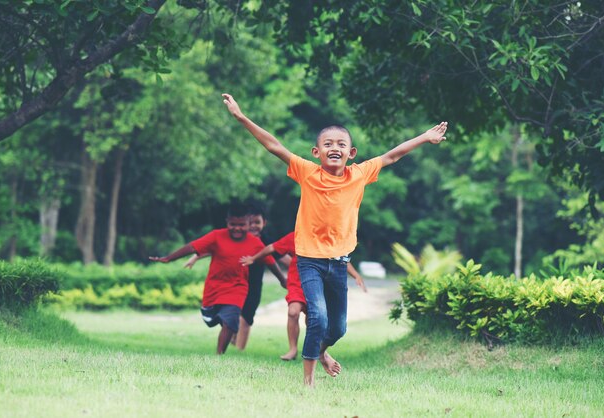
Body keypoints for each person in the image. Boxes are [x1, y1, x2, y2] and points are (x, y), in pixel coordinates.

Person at [222, 93, 447, 386]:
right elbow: (273, 145)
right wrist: (241, 117)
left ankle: (322, 351)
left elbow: (392, 155)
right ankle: (308, 381)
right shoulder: (307, 172)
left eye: (341, 144)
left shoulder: (359, 174)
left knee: (338, 328)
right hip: (310, 261)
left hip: (339, 263)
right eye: (328, 144)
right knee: (317, 317)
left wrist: (424, 137)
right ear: (317, 152)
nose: (334, 148)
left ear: (351, 152)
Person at [149, 203, 286, 355]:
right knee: (212, 320)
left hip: (238, 288)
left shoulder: (255, 243)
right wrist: (169, 258)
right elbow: (193, 247)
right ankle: (218, 319)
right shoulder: (216, 236)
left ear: (247, 223)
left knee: (231, 319)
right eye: (233, 224)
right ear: (227, 222)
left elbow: (270, 261)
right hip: (214, 288)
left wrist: (282, 279)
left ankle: (219, 354)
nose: (237, 228)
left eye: (242, 225)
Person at [241, 231, 367, 361]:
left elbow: (341, 258)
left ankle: (317, 351)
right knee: (293, 311)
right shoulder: (298, 236)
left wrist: (356, 275)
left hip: (318, 286)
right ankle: (293, 349)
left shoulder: (328, 237)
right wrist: (253, 258)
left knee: (314, 320)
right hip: (297, 284)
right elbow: (272, 247)